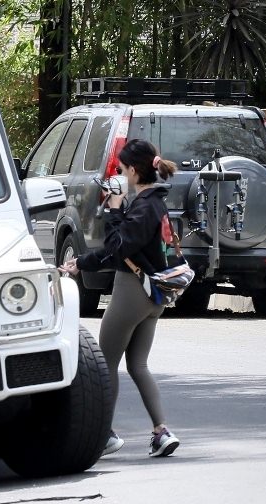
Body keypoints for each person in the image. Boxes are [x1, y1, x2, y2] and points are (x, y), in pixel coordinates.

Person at [59, 139, 181, 458]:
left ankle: (102, 435)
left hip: (132, 292)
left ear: (136, 170)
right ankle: (161, 432)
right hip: (154, 296)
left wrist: (114, 211)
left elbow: (118, 248)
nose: (121, 175)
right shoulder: (154, 203)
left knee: (104, 365)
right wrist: (81, 263)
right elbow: (127, 248)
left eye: (123, 169)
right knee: (138, 364)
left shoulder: (144, 206)